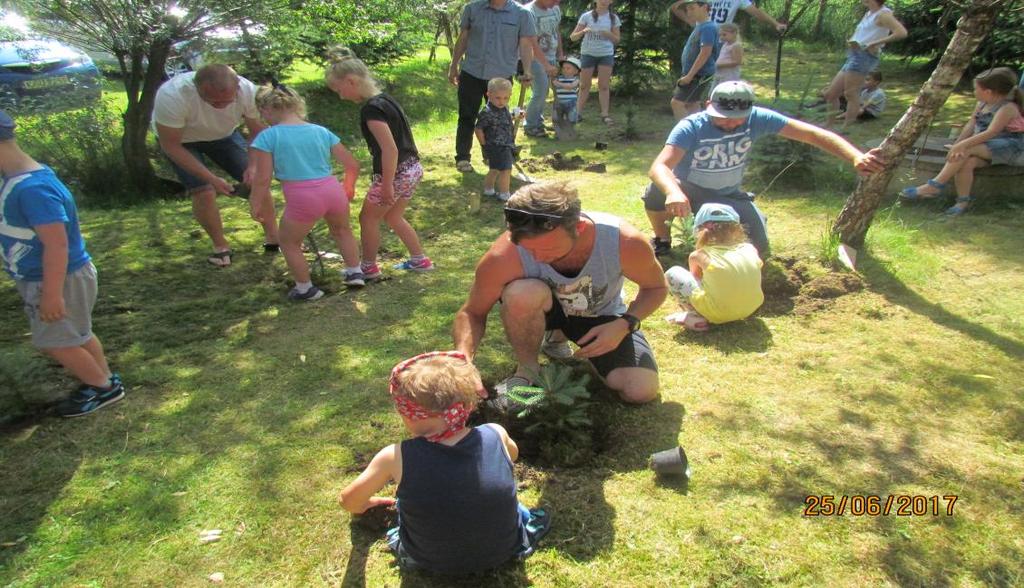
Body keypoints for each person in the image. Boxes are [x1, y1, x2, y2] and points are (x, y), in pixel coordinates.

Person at [452, 181, 666, 405]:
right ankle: (527, 371)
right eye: (528, 249)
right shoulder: (502, 256)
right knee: (521, 292)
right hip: (543, 310)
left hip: (600, 318)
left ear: (579, 227)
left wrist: (624, 324)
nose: (537, 258)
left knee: (640, 390)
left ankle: (574, 346)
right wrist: (463, 358)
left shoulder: (625, 242)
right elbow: (472, 312)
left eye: (548, 249)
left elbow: (656, 288)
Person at [338, 351, 551, 574]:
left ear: (407, 415)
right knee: (515, 508)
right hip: (504, 551)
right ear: (468, 405)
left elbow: (348, 501)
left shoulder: (394, 457)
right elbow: (513, 456)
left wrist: (366, 503)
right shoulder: (496, 434)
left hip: (427, 561)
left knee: (403, 517)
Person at [644, 81, 885, 257]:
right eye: (723, 116)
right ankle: (663, 240)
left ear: (749, 111)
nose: (730, 122)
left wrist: (855, 156)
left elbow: (812, 134)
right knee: (657, 188)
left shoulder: (758, 118)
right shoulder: (691, 126)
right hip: (690, 191)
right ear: (709, 105)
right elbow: (660, 166)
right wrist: (674, 192)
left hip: (728, 195)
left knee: (759, 249)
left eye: (737, 117)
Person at [0, 110, 125, 418]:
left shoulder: (33, 190)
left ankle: (102, 387)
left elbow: (57, 245)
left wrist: (52, 294)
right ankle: (104, 378)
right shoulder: (19, 178)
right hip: (53, 277)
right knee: (77, 334)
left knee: (53, 341)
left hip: (56, 279)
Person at [153, 64, 279, 267]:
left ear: (237, 87)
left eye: (226, 102)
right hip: (182, 141)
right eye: (213, 101)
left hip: (224, 135)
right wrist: (211, 179)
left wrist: (253, 166)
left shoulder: (248, 91)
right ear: (197, 89)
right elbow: (171, 145)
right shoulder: (172, 96)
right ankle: (221, 247)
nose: (220, 106)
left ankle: (274, 238)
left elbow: (258, 131)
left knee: (258, 182)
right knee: (203, 191)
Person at [326, 49, 435, 277]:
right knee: (393, 216)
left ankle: (367, 267)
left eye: (339, 90)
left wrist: (386, 185)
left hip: (395, 173)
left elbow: (389, 149)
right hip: (412, 169)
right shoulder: (386, 100)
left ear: (352, 81)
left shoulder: (372, 109)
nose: (341, 96)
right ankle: (419, 260)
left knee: (367, 218)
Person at [249, 85, 364, 299]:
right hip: (331, 190)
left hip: (302, 195)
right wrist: (348, 186)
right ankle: (354, 272)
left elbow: (262, 178)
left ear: (266, 110)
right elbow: (352, 164)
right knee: (342, 231)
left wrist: (255, 203)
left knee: (289, 242)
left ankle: (305, 288)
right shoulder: (320, 131)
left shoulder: (268, 136)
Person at [900, 67, 1024, 216]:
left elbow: (991, 132)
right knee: (966, 162)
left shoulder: (1007, 108)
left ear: (988, 92)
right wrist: (957, 143)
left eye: (976, 89)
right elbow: (971, 125)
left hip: (1012, 147)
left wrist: (962, 145)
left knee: (965, 150)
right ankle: (962, 202)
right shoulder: (981, 104)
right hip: (988, 147)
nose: (974, 92)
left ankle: (934, 186)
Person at [448, 0, 536, 173]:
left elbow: (526, 44)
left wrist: (527, 70)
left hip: (501, 76)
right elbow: (463, 38)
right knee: (467, 116)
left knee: (498, 120)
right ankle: (463, 158)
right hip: (472, 72)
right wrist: (453, 66)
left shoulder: (522, 14)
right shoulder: (472, 9)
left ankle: (493, 155)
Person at [664, 203, 763, 332]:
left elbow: (696, 281)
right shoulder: (750, 249)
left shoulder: (699, 255)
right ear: (738, 229)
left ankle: (697, 316)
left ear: (699, 230)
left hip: (717, 313)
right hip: (750, 308)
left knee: (673, 273)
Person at [822, 0, 906, 131]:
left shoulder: (883, 14)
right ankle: (828, 126)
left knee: (851, 94)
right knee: (831, 94)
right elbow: (865, 35)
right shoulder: (869, 13)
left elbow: (901, 32)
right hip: (854, 54)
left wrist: (875, 43)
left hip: (864, 57)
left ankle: (844, 130)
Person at [568, 0, 621, 125]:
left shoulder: (613, 18)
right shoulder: (586, 16)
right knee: (584, 85)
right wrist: (583, 31)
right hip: (588, 53)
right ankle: (578, 113)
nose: (604, 2)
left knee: (603, 85)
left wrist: (608, 34)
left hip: (605, 54)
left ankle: (605, 114)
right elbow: (573, 37)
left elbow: (617, 40)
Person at [668, 0, 720, 120]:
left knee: (677, 103)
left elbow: (705, 52)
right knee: (692, 104)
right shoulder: (699, 25)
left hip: (698, 75)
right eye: (687, 9)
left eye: (692, 8)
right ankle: (697, 135)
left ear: (705, 7)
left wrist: (690, 75)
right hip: (694, 74)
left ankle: (685, 135)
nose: (689, 12)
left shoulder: (708, 27)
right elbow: (675, 7)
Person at [475, 78, 522, 202]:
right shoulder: (486, 112)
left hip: (506, 143)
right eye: (498, 98)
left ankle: (488, 189)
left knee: (494, 169)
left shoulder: (504, 108)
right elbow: (478, 129)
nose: (502, 101)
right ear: (488, 94)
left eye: (505, 98)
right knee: (506, 170)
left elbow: (505, 119)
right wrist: (484, 145)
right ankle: (504, 194)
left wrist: (515, 115)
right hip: (496, 145)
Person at [523, 0, 563, 138]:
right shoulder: (529, 12)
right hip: (533, 57)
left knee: (547, 91)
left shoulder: (555, 9)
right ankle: (530, 125)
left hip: (551, 55)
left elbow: (556, 31)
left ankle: (538, 121)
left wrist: (560, 53)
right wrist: (545, 65)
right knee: (541, 90)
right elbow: (531, 42)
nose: (556, 3)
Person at [693, 0, 788, 32]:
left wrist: (776, 24)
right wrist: (691, 22)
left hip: (722, 39)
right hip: (702, 35)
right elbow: (686, 7)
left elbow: (756, 12)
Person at [553, 57, 582, 128]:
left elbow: (570, 86)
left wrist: (559, 84)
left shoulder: (576, 79)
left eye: (568, 68)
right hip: (559, 102)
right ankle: (560, 128)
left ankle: (570, 128)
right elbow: (553, 83)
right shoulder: (559, 78)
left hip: (571, 102)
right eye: (563, 68)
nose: (565, 70)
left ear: (576, 71)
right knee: (558, 117)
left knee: (571, 117)